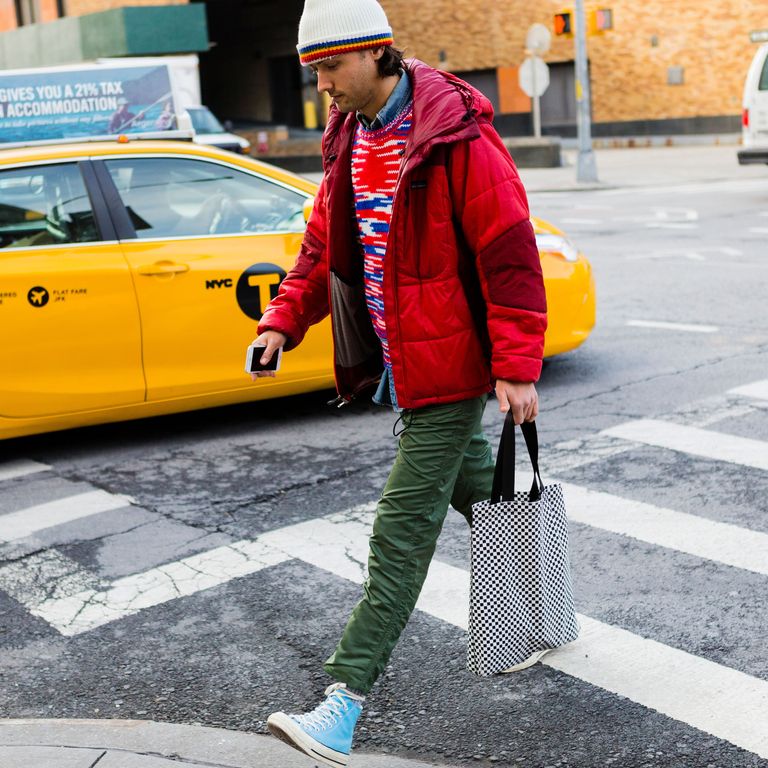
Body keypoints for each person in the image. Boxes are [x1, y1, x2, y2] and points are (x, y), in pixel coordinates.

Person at [252, 0, 547, 765]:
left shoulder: (455, 136)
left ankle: (344, 704)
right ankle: (539, 621)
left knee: (400, 531)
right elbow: (325, 241)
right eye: (312, 72)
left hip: (449, 367)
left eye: (331, 68)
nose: (322, 86)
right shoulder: (349, 137)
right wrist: (284, 321)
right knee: (487, 498)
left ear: (376, 53)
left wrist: (515, 365)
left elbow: (509, 250)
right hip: (399, 359)